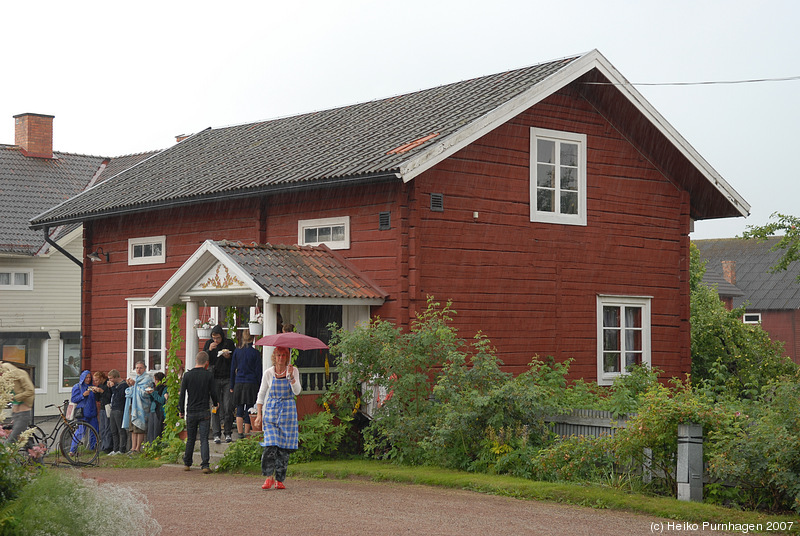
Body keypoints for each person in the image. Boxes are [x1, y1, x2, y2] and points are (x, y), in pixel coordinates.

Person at [254, 346, 302, 490]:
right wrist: (259, 414)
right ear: (274, 357)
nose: (281, 358)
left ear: (287, 357)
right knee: (271, 445)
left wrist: (291, 377)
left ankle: (279, 480)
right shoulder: (268, 373)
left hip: (288, 412)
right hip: (272, 412)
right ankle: (269, 477)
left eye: (283, 355)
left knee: (283, 449)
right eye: (278, 355)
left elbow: (297, 391)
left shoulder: (293, 371)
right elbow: (261, 394)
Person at [179, 351, 218, 473]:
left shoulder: (187, 375)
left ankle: (187, 463)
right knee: (204, 439)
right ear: (206, 363)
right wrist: (216, 404)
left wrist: (181, 410)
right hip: (204, 410)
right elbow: (213, 392)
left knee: (190, 438)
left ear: (196, 360)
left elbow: (182, 394)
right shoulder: (208, 375)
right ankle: (205, 465)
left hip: (191, 410)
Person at [204, 325, 236, 443]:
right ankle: (216, 433)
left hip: (227, 378)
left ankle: (227, 432)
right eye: (213, 338)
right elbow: (203, 358)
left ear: (222, 336)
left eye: (217, 338)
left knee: (228, 406)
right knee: (215, 407)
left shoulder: (229, 343)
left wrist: (228, 357)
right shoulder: (209, 344)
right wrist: (209, 350)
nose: (216, 340)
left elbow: (234, 359)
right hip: (214, 379)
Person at [230, 330, 262, 440]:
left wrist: (231, 385)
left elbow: (232, 369)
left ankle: (239, 434)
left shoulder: (237, 352)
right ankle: (247, 434)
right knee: (249, 408)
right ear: (253, 339)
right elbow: (258, 371)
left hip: (239, 382)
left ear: (242, 338)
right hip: (251, 383)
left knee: (239, 408)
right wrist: (259, 385)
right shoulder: (255, 353)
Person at [0, 360, 35, 444]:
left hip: (23, 412)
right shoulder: (6, 380)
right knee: (24, 442)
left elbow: (30, 391)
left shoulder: (20, 375)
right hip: (15, 412)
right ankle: (36, 455)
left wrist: (15, 397)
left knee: (11, 441)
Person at [122, 361, 153, 454]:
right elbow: (131, 391)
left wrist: (135, 385)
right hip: (134, 405)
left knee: (140, 428)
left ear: (144, 369)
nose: (138, 370)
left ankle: (138, 448)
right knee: (133, 428)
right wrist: (130, 386)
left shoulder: (147, 379)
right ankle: (132, 447)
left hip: (142, 406)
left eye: (140, 368)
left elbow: (145, 393)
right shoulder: (137, 378)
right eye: (137, 368)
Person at [70, 370, 99, 451]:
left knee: (94, 431)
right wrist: (83, 395)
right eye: (86, 377)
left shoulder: (92, 387)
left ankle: (93, 448)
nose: (88, 379)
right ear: (83, 378)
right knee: (80, 432)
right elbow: (73, 399)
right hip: (82, 413)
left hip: (92, 412)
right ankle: (73, 450)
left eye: (89, 377)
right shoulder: (77, 386)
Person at [107, 369, 128, 454]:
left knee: (120, 430)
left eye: (111, 378)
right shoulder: (115, 385)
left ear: (116, 377)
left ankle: (121, 449)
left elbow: (119, 397)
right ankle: (115, 449)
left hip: (119, 409)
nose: (110, 380)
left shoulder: (123, 385)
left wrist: (112, 387)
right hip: (113, 408)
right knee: (113, 430)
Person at [93, 370, 113, 454]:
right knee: (102, 428)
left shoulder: (108, 385)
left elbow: (109, 396)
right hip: (102, 408)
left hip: (108, 407)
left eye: (97, 380)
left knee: (107, 427)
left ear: (101, 378)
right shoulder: (100, 385)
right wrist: (95, 393)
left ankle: (108, 446)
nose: (96, 382)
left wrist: (102, 391)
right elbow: (98, 399)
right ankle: (103, 445)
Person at [147, 372, 167, 444]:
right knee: (151, 431)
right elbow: (153, 400)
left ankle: (156, 445)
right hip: (153, 409)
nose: (155, 382)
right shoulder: (156, 388)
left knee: (156, 430)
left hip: (159, 410)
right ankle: (150, 445)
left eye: (156, 380)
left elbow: (162, 400)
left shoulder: (164, 389)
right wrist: (150, 394)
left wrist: (153, 393)